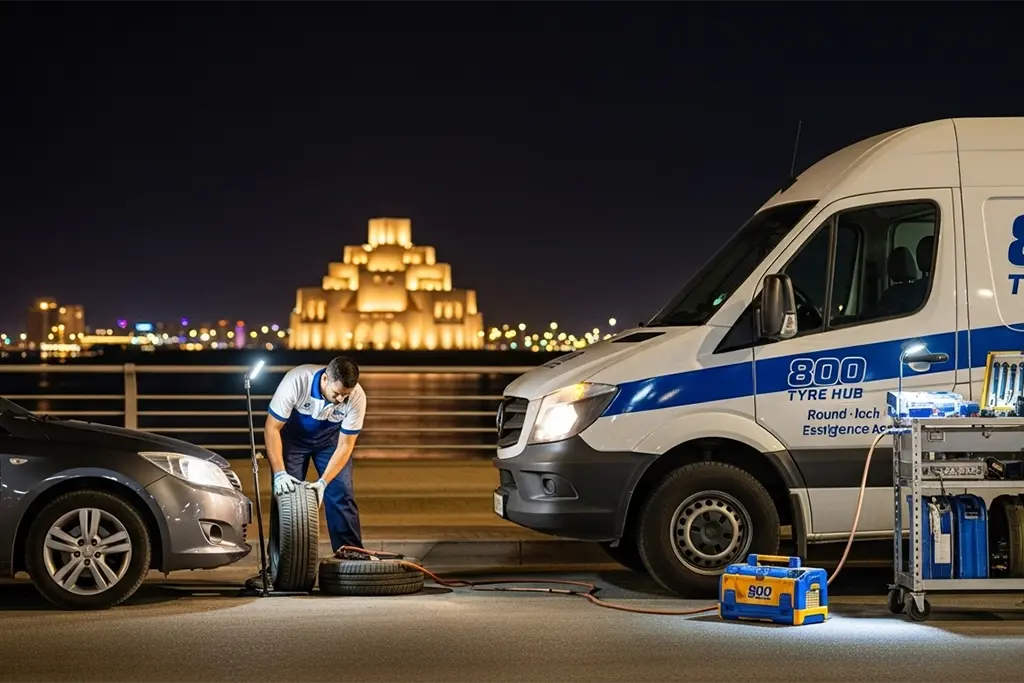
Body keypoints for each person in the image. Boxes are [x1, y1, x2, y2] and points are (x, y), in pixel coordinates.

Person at [263, 356, 366, 555]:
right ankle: (281, 556)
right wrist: (279, 473)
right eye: (337, 394)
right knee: (286, 494)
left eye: (346, 395)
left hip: (330, 441)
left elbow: (345, 445)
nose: (341, 400)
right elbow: (271, 429)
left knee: (341, 490)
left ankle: (350, 550)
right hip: (292, 439)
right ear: (325, 379)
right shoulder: (296, 381)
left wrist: (323, 483)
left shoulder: (357, 397)